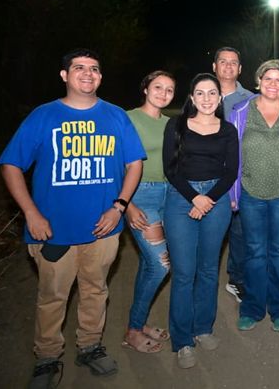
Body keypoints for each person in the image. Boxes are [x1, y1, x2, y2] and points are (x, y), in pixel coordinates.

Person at [0, 48, 144, 387]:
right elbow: (11, 166)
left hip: (103, 229)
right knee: (52, 296)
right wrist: (31, 213)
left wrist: (119, 206)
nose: (87, 74)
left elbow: (134, 163)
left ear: (100, 77)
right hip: (53, 231)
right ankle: (47, 357)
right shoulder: (43, 117)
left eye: (94, 69)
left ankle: (90, 345)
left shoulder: (115, 116)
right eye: (79, 68)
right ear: (65, 76)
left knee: (96, 290)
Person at [162, 73, 238, 369]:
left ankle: (203, 328)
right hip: (182, 198)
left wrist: (209, 198)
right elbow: (171, 168)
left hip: (216, 200)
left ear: (220, 98)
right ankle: (182, 340)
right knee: (184, 271)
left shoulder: (228, 130)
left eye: (212, 93)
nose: (207, 99)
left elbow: (230, 171)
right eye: (200, 93)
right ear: (191, 98)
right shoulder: (176, 126)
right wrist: (194, 197)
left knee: (208, 269)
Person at [228, 60, 279, 334]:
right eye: (268, 78)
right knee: (255, 252)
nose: (273, 84)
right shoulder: (241, 111)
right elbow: (231, 155)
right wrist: (232, 192)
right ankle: (252, 307)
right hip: (251, 192)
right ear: (258, 81)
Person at [123, 71, 176, 354]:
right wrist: (126, 205)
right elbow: (114, 164)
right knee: (160, 264)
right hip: (140, 195)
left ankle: (138, 322)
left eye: (169, 89)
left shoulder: (170, 124)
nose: (163, 93)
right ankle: (133, 330)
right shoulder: (128, 119)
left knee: (148, 263)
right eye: (158, 87)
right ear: (145, 88)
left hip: (168, 195)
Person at [213, 47, 254, 305]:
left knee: (240, 232)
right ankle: (203, 278)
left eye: (234, 63)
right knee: (209, 232)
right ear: (214, 66)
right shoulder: (201, 95)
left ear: (240, 69)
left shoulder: (250, 99)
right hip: (208, 177)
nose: (228, 67)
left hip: (240, 177)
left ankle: (236, 278)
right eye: (223, 62)